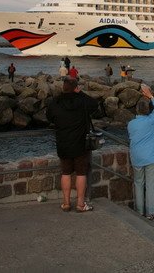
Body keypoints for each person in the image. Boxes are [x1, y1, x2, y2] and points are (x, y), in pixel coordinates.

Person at [46, 77, 100, 212]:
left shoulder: (55, 102)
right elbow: (95, 104)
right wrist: (80, 93)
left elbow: (49, 117)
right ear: (76, 88)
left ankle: (66, 203)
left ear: (63, 88)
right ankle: (81, 204)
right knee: (81, 173)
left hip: (63, 143)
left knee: (66, 173)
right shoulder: (82, 101)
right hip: (81, 144)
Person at [127, 85, 154, 219]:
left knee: (138, 183)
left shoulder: (131, 124)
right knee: (150, 184)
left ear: (136, 110)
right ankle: (150, 213)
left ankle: (139, 211)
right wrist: (150, 96)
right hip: (151, 156)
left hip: (136, 157)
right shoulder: (151, 121)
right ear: (148, 110)